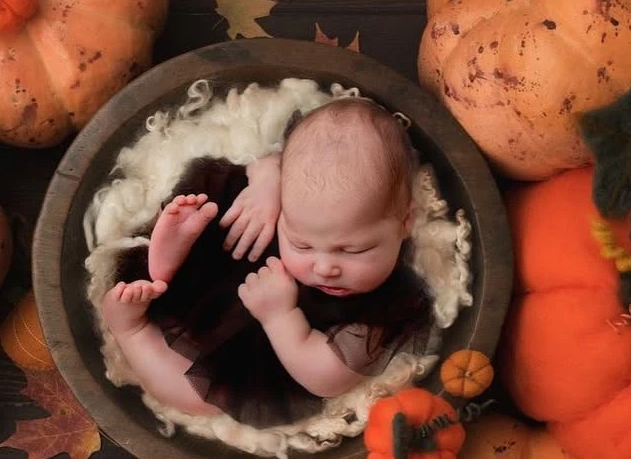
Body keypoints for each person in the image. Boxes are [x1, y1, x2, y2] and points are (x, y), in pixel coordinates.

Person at [101, 96, 435, 429]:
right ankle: (171, 258)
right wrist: (266, 183)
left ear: (406, 221)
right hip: (239, 256)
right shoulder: (296, 189)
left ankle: (133, 330)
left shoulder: (390, 306)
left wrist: (280, 317)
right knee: (225, 219)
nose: (324, 267)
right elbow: (268, 160)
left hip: (261, 346)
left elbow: (324, 378)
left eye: (353, 251)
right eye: (303, 244)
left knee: (200, 398)